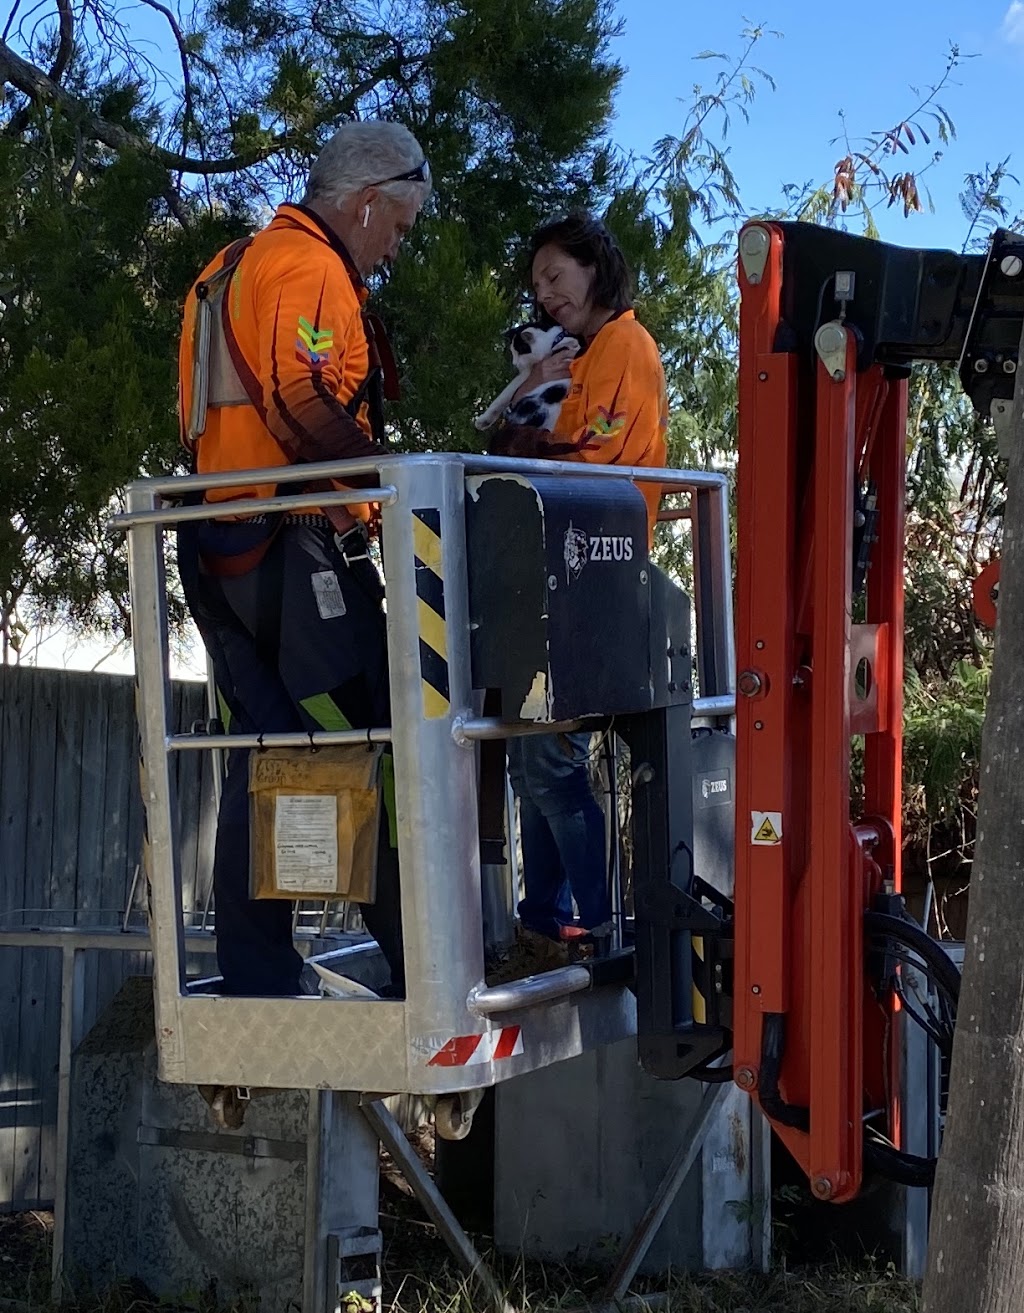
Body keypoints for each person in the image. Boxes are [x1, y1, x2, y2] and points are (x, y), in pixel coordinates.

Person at [176, 120, 431, 998]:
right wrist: (390, 498)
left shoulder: (231, 265)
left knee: (267, 746)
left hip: (223, 547)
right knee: (374, 738)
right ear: (366, 204)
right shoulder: (309, 266)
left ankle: (257, 968)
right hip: (293, 549)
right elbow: (297, 396)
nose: (392, 250)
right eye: (396, 229)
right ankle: (421, 961)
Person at [491, 212, 669, 957]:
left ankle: (594, 917)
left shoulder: (624, 344)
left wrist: (521, 434)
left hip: (592, 565)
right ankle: (546, 909)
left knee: (550, 758)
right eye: (537, 285)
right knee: (532, 750)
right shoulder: (585, 352)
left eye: (555, 275)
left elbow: (585, 451)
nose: (546, 293)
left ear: (594, 267)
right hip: (561, 564)